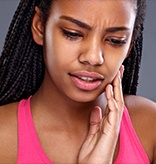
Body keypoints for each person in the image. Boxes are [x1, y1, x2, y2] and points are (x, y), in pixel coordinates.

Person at [0, 0, 156, 163]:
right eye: (73, 33)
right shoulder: (3, 139)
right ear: (40, 26)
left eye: (115, 40)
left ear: (129, 45)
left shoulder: (150, 128)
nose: (94, 58)